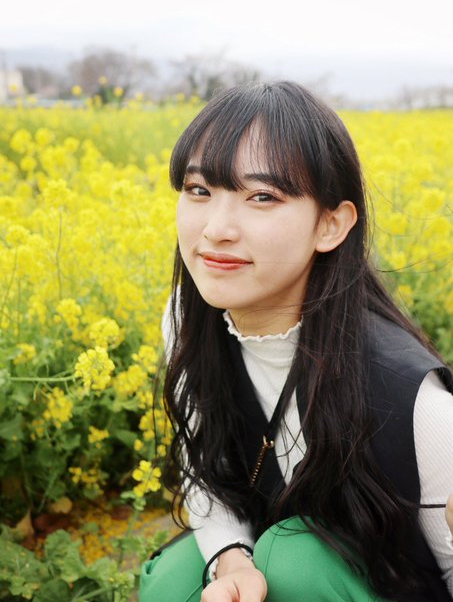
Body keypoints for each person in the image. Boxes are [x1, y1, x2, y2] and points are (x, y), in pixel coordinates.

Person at [140, 81, 453, 602]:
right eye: (199, 190)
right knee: (176, 580)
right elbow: (205, 475)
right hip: (269, 552)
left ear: (331, 225)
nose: (216, 229)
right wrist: (231, 561)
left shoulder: (416, 402)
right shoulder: (187, 320)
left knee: (296, 561)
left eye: (262, 197)